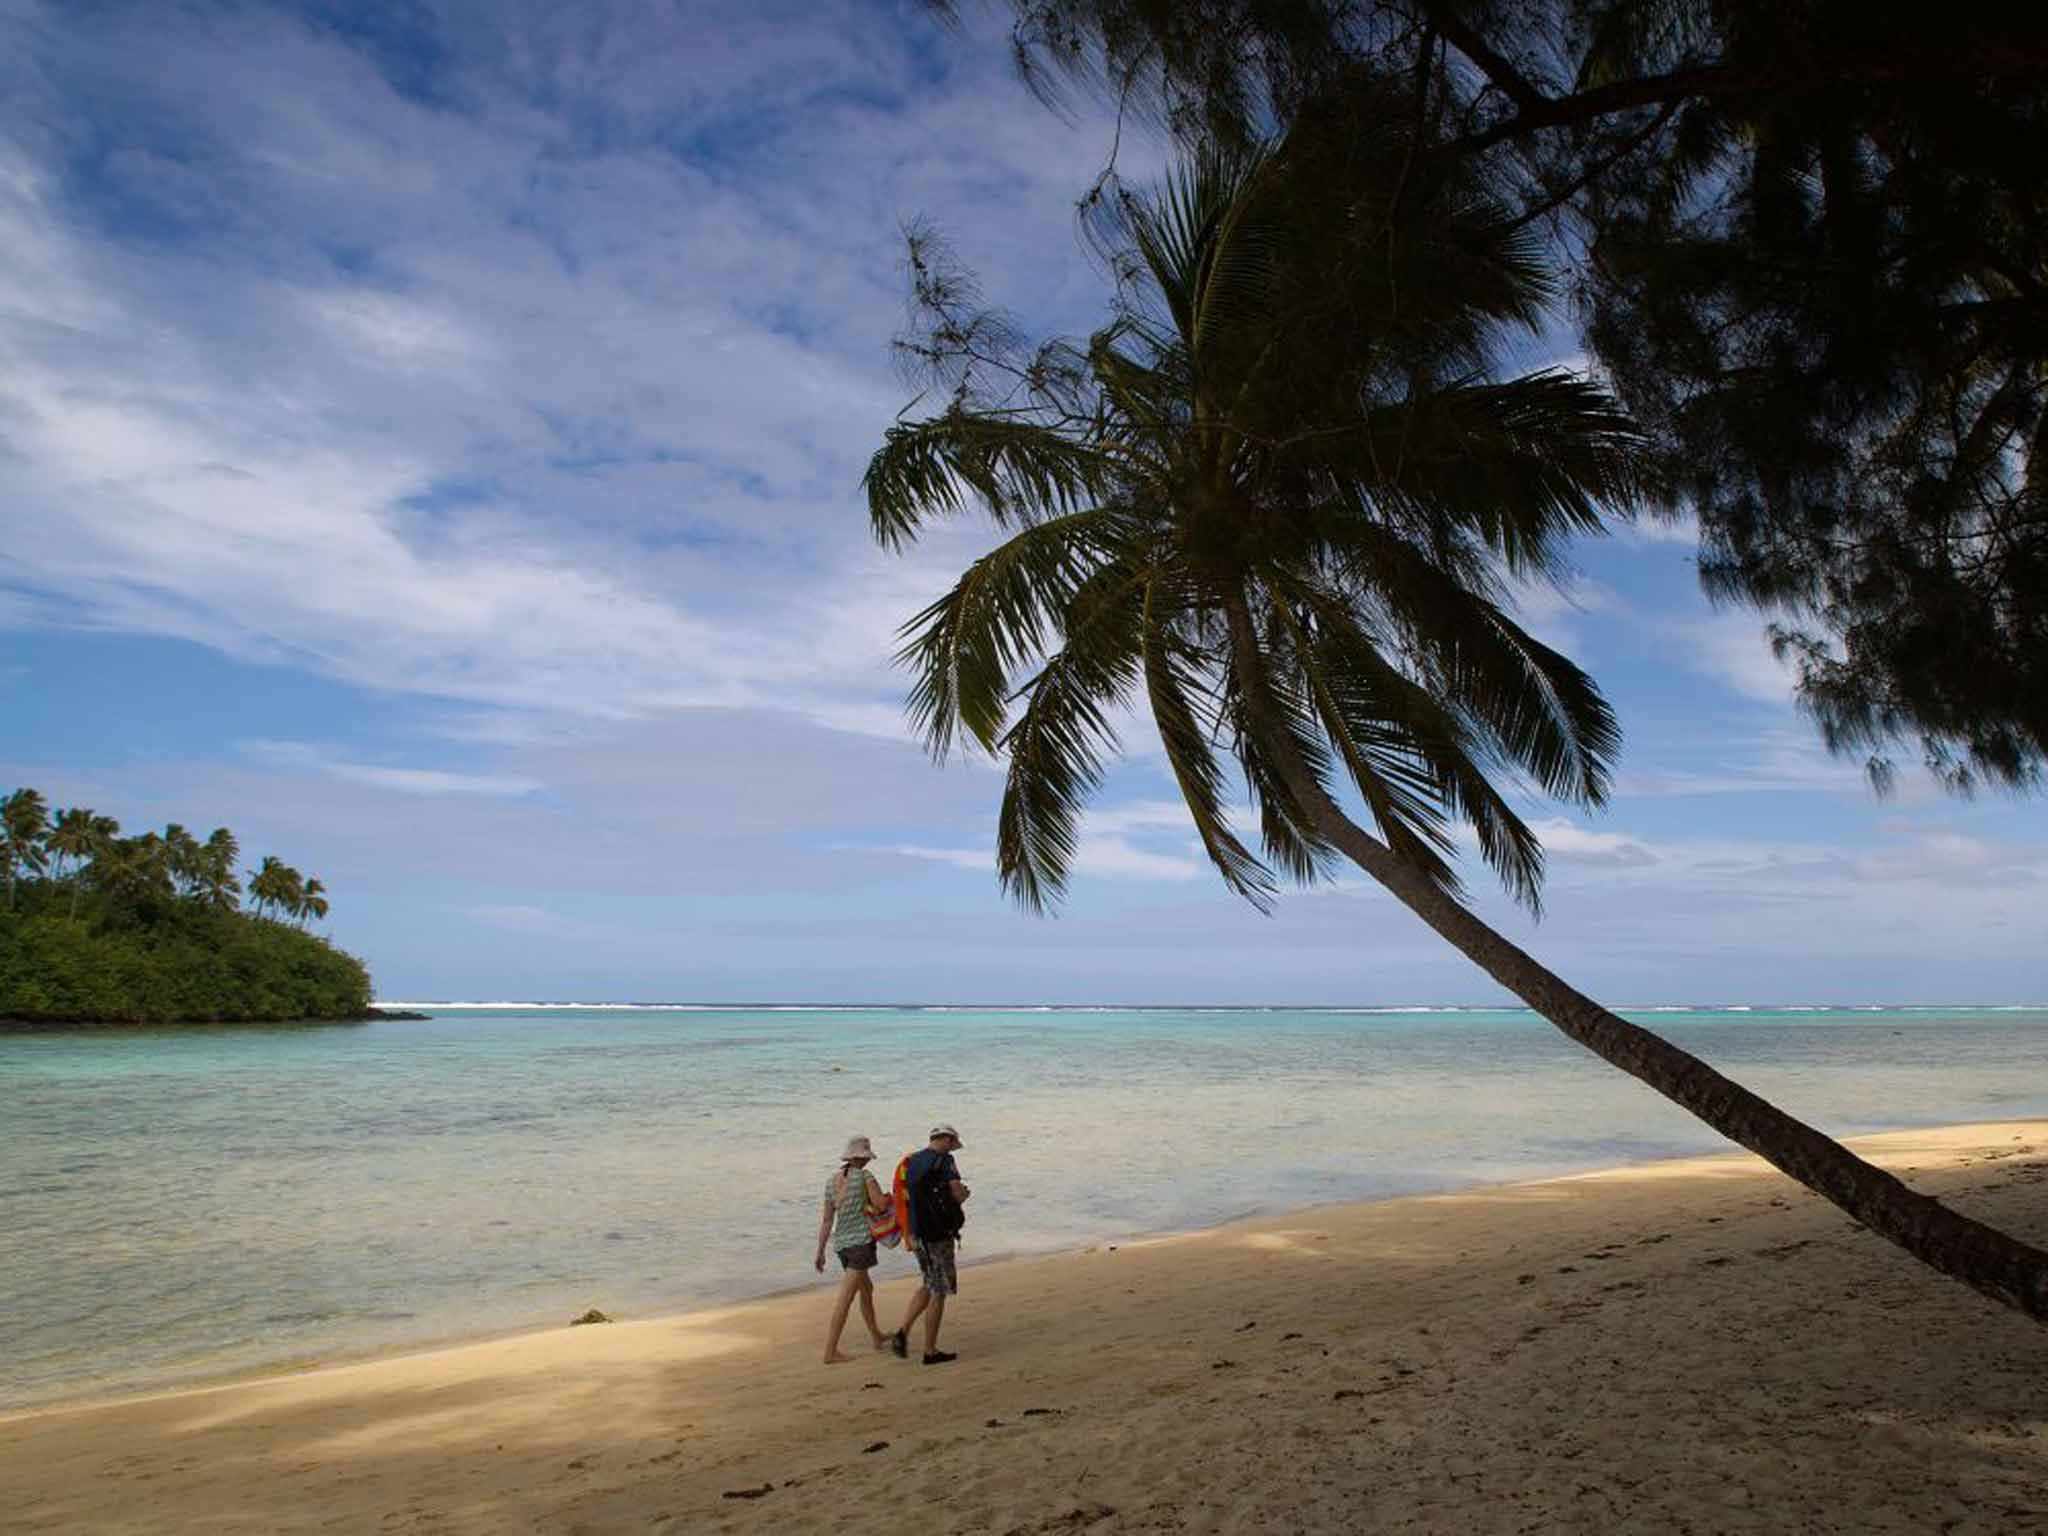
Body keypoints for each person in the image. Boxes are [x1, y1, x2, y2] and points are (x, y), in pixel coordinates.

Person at [890, 1124, 970, 1365]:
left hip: (918, 1234)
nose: (952, 1146)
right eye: (952, 1142)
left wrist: (909, 1231)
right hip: (939, 1234)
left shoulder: (911, 1161)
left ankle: (903, 1331)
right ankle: (930, 1350)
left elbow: (903, 1197)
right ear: (946, 1140)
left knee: (927, 1282)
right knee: (939, 1291)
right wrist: (964, 1194)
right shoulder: (946, 1161)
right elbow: (957, 1194)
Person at [814, 1135, 891, 1364]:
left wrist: (820, 1252)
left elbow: (827, 1220)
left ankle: (876, 1336)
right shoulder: (866, 1177)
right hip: (860, 1245)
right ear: (861, 1157)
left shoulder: (831, 1180)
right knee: (845, 1299)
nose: (868, 1161)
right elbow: (880, 1205)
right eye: (866, 1157)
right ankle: (830, 1352)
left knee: (866, 1288)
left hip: (842, 1246)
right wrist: (887, 1198)